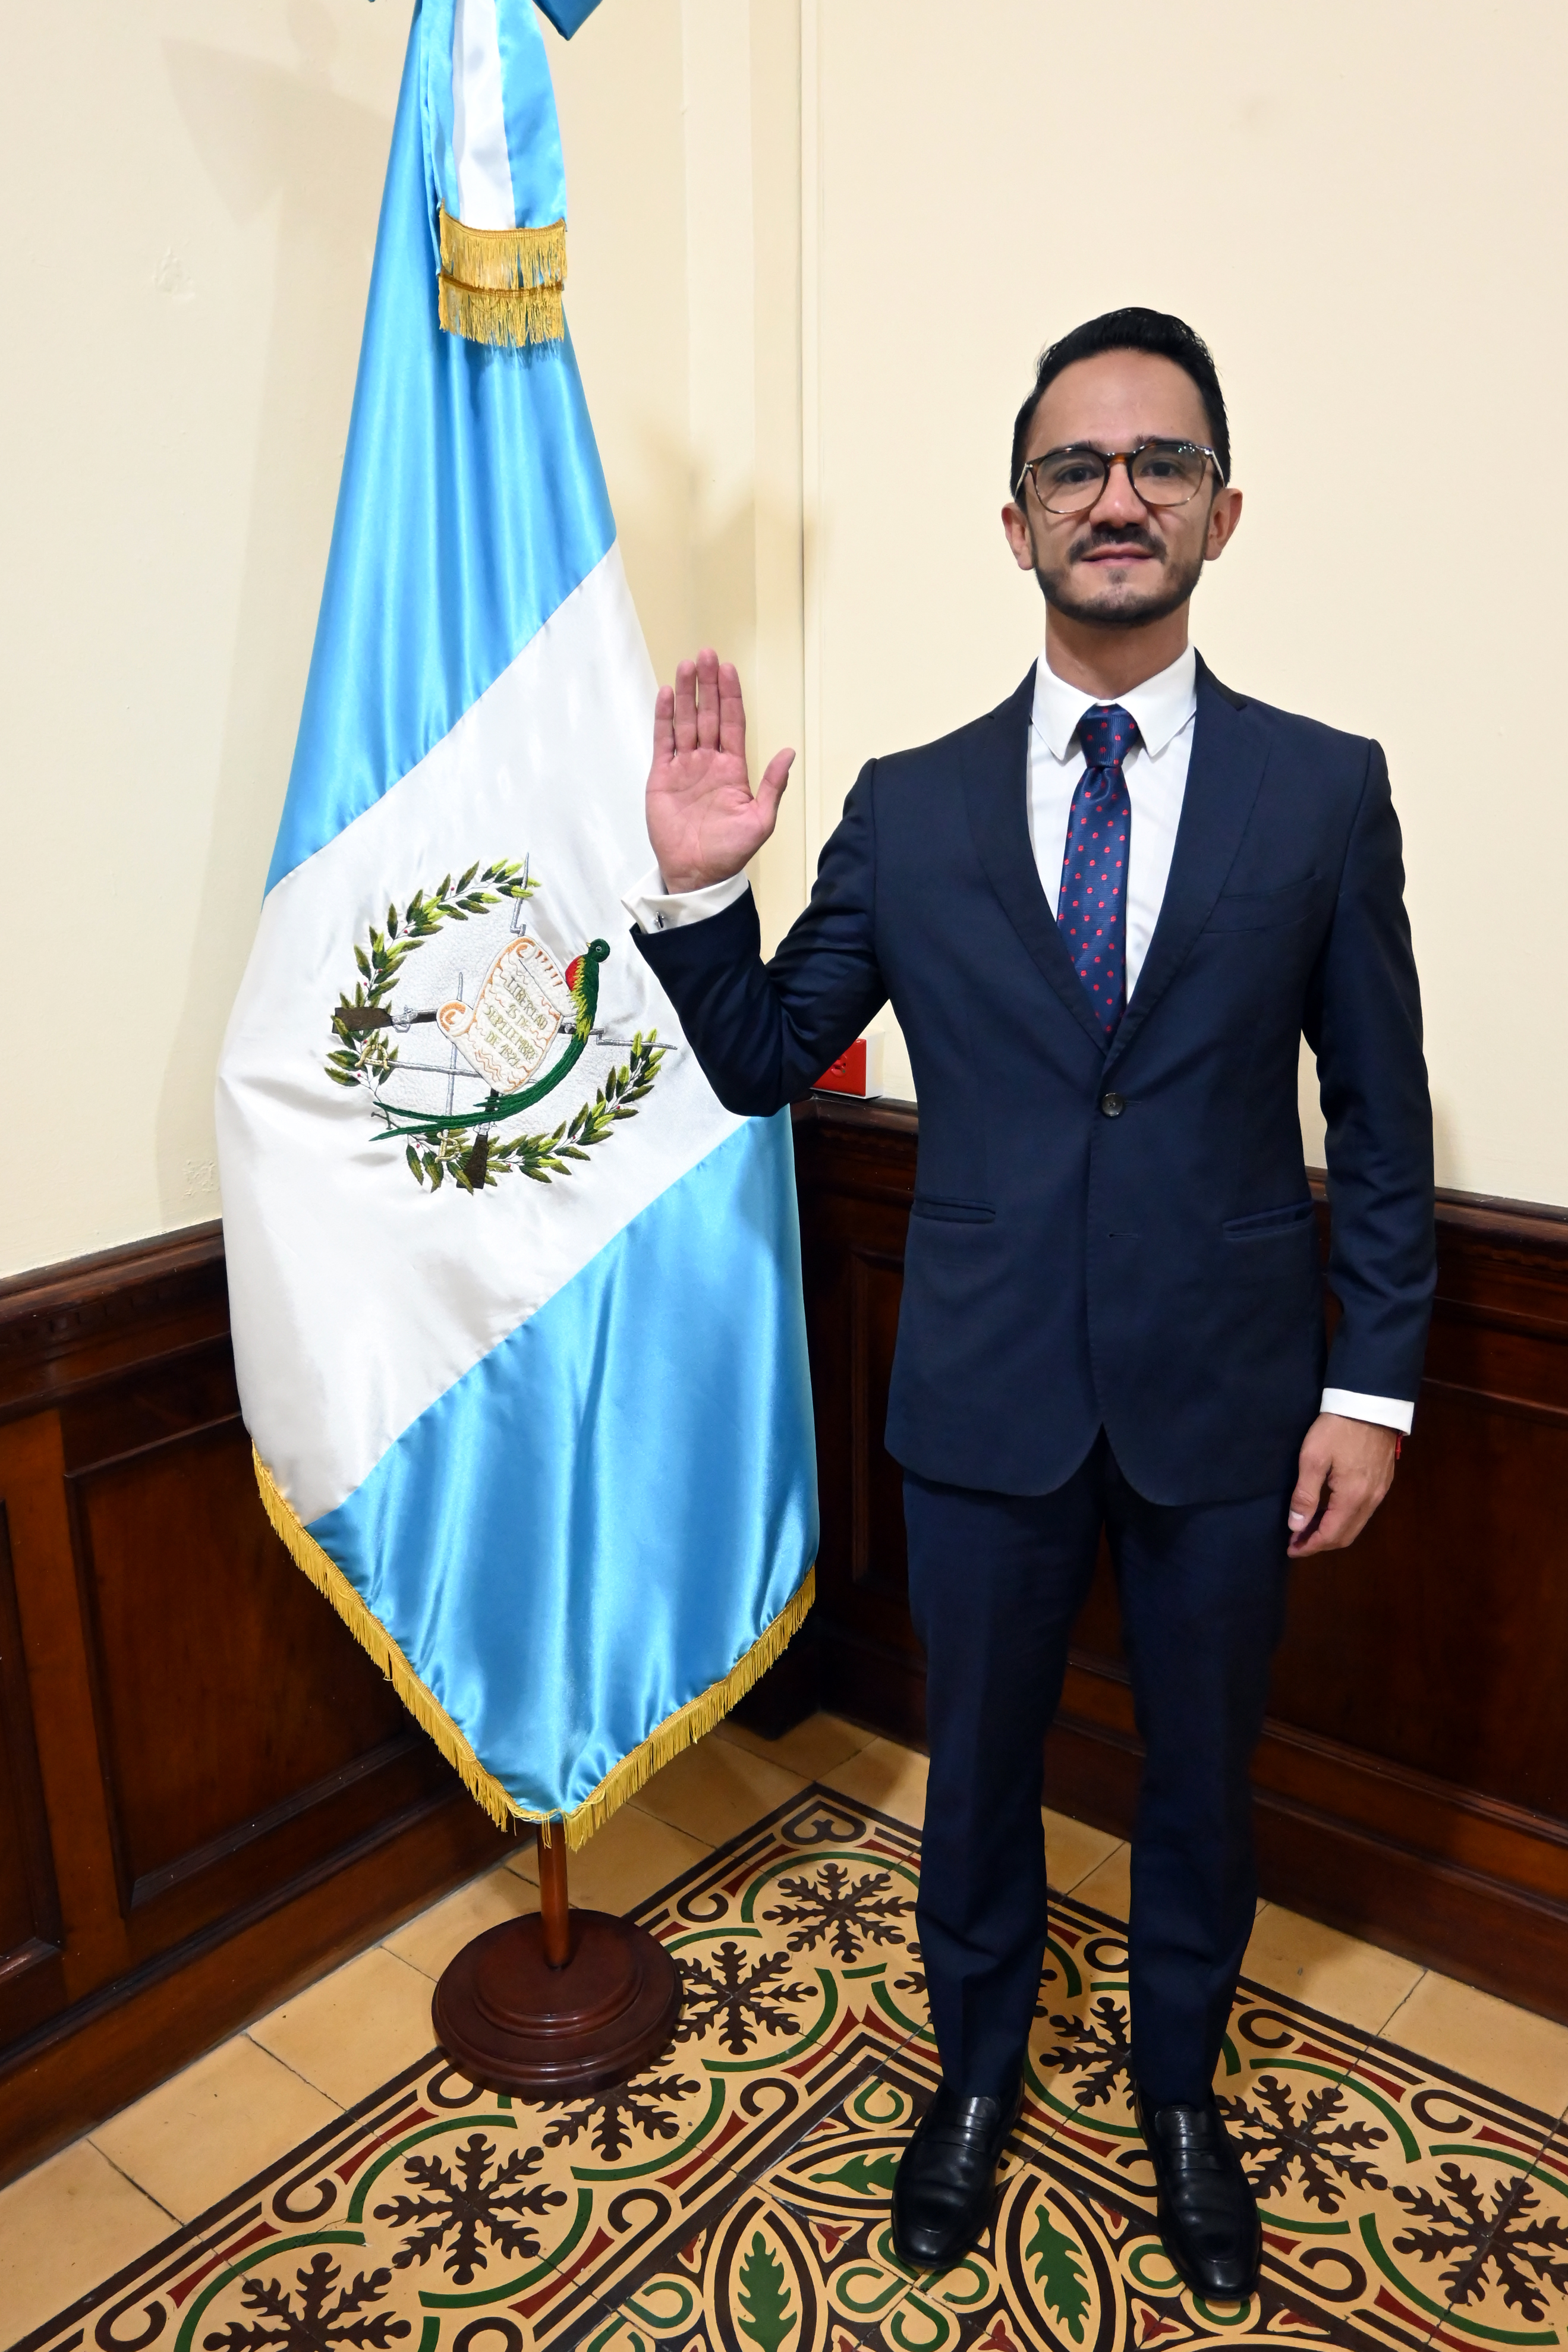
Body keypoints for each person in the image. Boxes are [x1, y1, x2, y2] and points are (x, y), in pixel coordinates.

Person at [626, 307, 1434, 2299]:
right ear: (1016, 522)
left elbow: (1382, 1116)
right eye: (1076, 467)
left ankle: (1180, 2091)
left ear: (1224, 512)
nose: (1118, 496)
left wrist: (1374, 1391)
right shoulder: (907, 806)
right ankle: (974, 2075)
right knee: (976, 1775)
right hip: (983, 1396)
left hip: (1231, 1401)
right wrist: (699, 893)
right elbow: (763, 1059)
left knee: (1200, 1776)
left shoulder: (1324, 792)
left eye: (1162, 464)